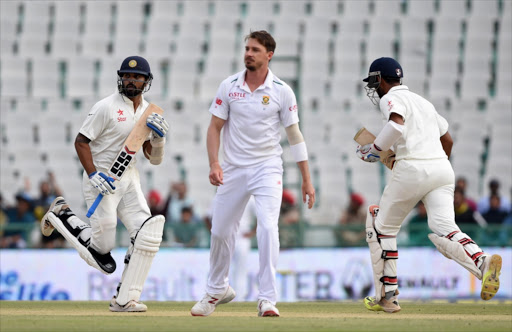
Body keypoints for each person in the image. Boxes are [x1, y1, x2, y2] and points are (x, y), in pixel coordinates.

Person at [356, 57, 502, 313]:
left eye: (374, 82)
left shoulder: (389, 98)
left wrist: (375, 150)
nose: (373, 88)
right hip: (442, 169)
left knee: (381, 227)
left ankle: (387, 295)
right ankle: (482, 261)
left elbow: (395, 125)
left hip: (412, 167)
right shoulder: (424, 102)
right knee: (445, 227)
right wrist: (429, 167)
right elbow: (448, 140)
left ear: (380, 79)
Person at [191, 31, 315, 317]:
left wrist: (306, 179)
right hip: (233, 169)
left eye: (255, 49)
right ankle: (217, 289)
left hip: (267, 167)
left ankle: (267, 299)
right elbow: (214, 128)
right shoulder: (229, 86)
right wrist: (214, 163)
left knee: (268, 228)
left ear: (268, 54)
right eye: (247, 48)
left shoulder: (282, 90)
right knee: (220, 230)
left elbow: (295, 136)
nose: (248, 53)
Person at [40, 56, 169, 312]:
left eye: (138, 77)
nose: (131, 80)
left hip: (129, 180)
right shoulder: (106, 107)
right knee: (102, 253)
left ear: (146, 81)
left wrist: (158, 141)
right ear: (121, 78)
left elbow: (152, 159)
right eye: (127, 76)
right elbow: (81, 141)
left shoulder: (147, 112)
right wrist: (92, 174)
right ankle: (62, 215)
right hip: (102, 181)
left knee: (146, 236)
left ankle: (125, 299)